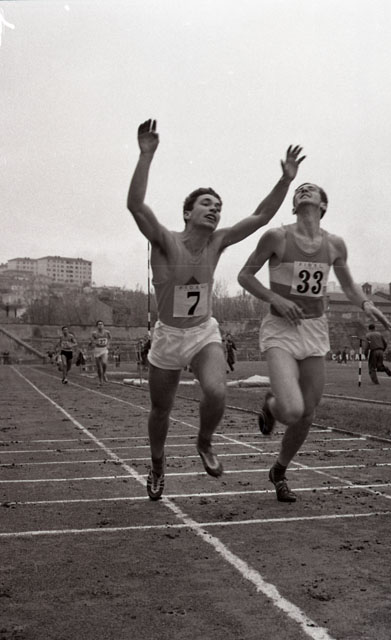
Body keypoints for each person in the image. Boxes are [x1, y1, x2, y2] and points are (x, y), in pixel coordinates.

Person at [126, 118, 305, 501]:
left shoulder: (218, 242)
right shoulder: (165, 241)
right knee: (161, 409)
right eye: (206, 204)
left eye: (219, 206)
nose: (214, 210)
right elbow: (136, 206)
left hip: (203, 332)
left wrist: (285, 180)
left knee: (216, 391)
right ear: (188, 213)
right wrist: (146, 155)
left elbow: (260, 216)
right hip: (168, 336)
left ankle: (204, 441)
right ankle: (157, 463)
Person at [237, 182, 391, 502]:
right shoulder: (276, 237)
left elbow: (348, 286)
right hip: (281, 329)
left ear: (323, 205)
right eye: (299, 190)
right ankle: (272, 405)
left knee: (307, 412)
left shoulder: (334, 244)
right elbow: (245, 276)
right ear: (294, 206)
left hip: (314, 330)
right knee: (292, 409)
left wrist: (366, 304)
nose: (304, 190)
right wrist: (275, 299)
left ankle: (279, 470)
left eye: (311, 189)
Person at [89, 320, 111, 385]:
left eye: (101, 324)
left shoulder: (107, 332)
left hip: (104, 349)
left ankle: (104, 373)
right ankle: (100, 380)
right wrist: (93, 343)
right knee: (99, 367)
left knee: (104, 363)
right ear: (97, 326)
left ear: (103, 325)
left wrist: (108, 344)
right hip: (97, 349)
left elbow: (110, 338)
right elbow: (92, 340)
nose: (100, 325)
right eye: (99, 324)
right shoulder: (94, 333)